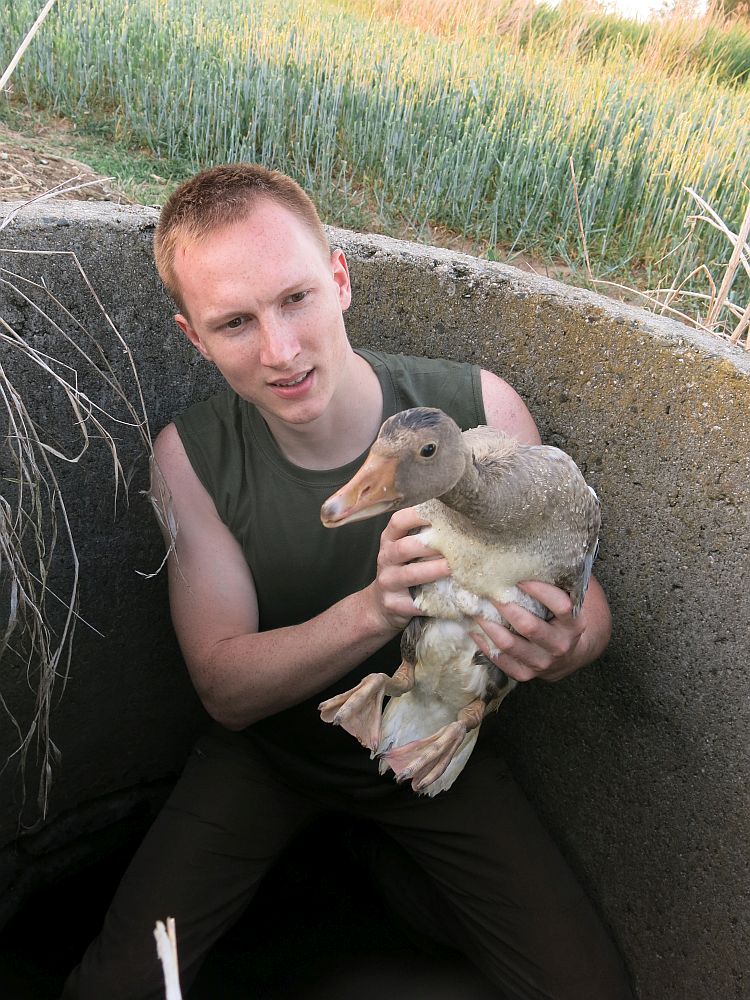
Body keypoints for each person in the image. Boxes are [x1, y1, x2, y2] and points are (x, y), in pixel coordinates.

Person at [62, 164, 633, 999]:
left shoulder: (479, 410)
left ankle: (387, 872)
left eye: (295, 298)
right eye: (234, 323)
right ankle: (358, 875)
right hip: (269, 759)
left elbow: (589, 612)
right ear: (194, 338)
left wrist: (560, 644)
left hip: (437, 745)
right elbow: (224, 689)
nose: (280, 351)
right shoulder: (189, 459)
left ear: (339, 279)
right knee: (118, 986)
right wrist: (375, 608)